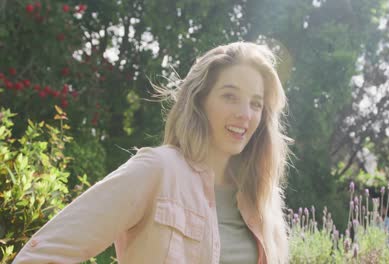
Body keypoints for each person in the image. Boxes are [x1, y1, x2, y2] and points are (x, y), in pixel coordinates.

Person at [13, 42, 291, 264]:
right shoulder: (158, 170)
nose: (244, 114)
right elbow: (42, 254)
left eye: (256, 104)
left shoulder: (264, 198)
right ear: (200, 101)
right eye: (230, 96)